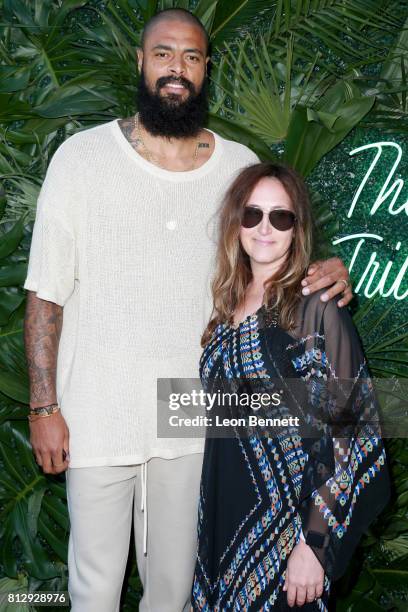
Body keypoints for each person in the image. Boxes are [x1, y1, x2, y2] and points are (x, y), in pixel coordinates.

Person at [23, 8, 353, 612]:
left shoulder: (236, 164)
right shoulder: (80, 159)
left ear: (205, 71)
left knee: (174, 594)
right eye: (164, 54)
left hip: (191, 415)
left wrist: (328, 271)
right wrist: (44, 405)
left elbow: (274, 241)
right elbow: (44, 291)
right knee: (92, 591)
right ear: (141, 63)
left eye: (192, 57)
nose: (177, 68)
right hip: (97, 409)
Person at [191, 162, 391, 611]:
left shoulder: (317, 306)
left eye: (280, 216)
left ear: (297, 228)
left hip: (289, 533)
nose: (265, 228)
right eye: (252, 214)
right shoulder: (225, 304)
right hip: (223, 519)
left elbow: (350, 428)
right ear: (235, 222)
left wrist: (315, 543)